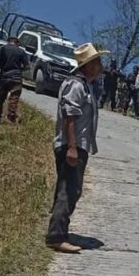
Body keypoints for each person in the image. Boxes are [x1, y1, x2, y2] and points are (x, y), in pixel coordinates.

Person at [45, 43, 103, 254]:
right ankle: (56, 236)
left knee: (71, 189)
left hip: (79, 146)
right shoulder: (75, 85)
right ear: (86, 66)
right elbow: (69, 116)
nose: (100, 67)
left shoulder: (86, 85)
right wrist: (71, 147)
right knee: (68, 190)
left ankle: (60, 230)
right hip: (73, 146)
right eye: (96, 62)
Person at [0, 36, 29, 124]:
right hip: (16, 77)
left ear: (8, 41)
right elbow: (27, 66)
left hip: (4, 76)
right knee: (14, 98)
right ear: (17, 43)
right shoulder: (21, 51)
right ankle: (11, 118)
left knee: (0, 99)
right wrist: (20, 70)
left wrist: (1, 68)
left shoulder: (1, 49)